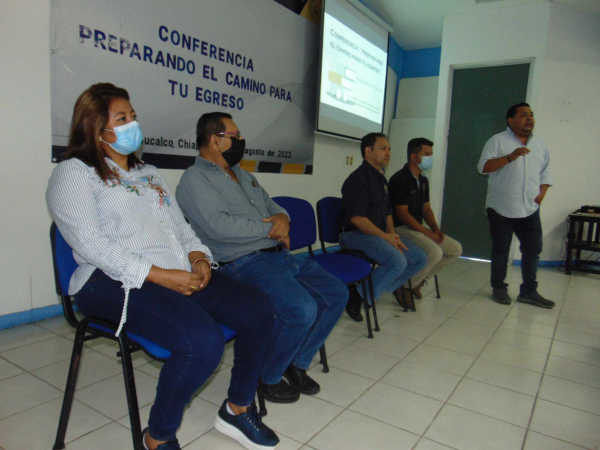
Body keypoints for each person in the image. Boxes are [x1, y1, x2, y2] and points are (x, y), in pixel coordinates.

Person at [46, 84, 280, 450]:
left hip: (174, 272)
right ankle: (157, 437)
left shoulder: (150, 174)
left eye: (133, 116)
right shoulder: (74, 173)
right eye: (121, 118)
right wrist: (159, 275)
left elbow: (181, 229)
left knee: (260, 309)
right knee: (202, 341)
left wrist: (199, 259)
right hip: (109, 281)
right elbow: (91, 245)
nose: (132, 124)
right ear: (94, 128)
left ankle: (237, 409)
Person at [176, 112, 348, 405]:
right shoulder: (194, 180)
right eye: (235, 136)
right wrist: (273, 228)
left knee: (336, 293)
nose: (242, 141)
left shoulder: (242, 174)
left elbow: (272, 206)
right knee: (301, 310)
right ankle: (266, 376)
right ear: (215, 141)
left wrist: (282, 217)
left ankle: (296, 362)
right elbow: (219, 226)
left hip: (278, 256)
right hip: (243, 262)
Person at [339, 132, 427, 320]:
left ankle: (366, 291)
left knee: (419, 257)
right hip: (355, 235)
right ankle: (357, 297)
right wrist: (385, 237)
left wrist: (393, 235)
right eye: (383, 148)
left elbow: (387, 214)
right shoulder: (357, 179)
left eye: (389, 149)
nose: (388, 153)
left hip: (377, 235)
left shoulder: (382, 180)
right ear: (368, 151)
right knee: (397, 261)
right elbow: (358, 220)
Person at [477, 102, 555, 308]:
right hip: (501, 207)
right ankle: (499, 288)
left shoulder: (538, 143)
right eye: (523, 115)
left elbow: (546, 170)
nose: (529, 118)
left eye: (531, 115)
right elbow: (483, 167)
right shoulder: (497, 141)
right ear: (510, 121)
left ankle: (529, 292)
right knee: (501, 250)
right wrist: (511, 157)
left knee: (533, 250)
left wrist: (543, 190)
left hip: (529, 208)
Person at [389, 138, 462, 299]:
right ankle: (405, 287)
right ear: (414, 157)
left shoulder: (423, 180)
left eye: (431, 154)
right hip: (400, 229)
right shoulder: (399, 179)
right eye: (427, 154)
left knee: (455, 249)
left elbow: (426, 208)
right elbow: (403, 215)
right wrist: (428, 234)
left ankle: (420, 281)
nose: (430, 158)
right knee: (435, 252)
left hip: (417, 228)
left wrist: (436, 229)